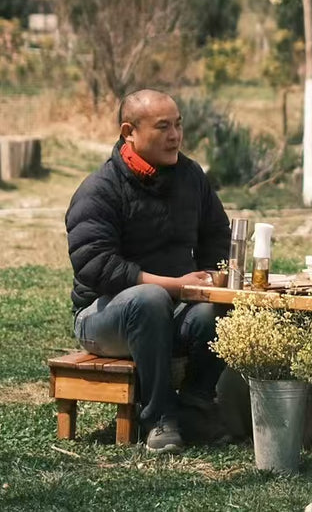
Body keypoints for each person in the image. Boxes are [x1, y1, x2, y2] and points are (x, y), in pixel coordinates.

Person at [65, 88, 232, 454]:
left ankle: (196, 406)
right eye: (162, 127)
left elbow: (217, 232)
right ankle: (159, 417)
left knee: (217, 309)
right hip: (103, 316)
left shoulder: (191, 177)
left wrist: (208, 277)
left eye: (178, 125)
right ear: (129, 132)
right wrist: (174, 286)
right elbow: (96, 266)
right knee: (150, 298)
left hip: (169, 309)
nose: (174, 136)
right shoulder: (100, 190)